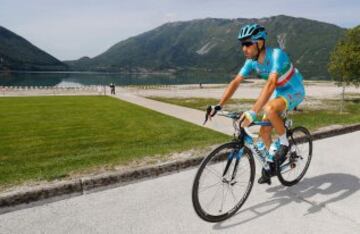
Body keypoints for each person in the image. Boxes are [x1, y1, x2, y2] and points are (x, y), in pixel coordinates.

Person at [207, 23, 305, 185]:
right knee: (264, 133)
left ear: (259, 43)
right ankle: (273, 163)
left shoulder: (276, 55)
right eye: (242, 45)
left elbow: (271, 83)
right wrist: (219, 105)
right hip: (280, 92)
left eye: (247, 44)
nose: (243, 48)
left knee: (269, 108)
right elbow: (236, 82)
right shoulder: (251, 62)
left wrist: (253, 111)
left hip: (295, 89)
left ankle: (284, 144)